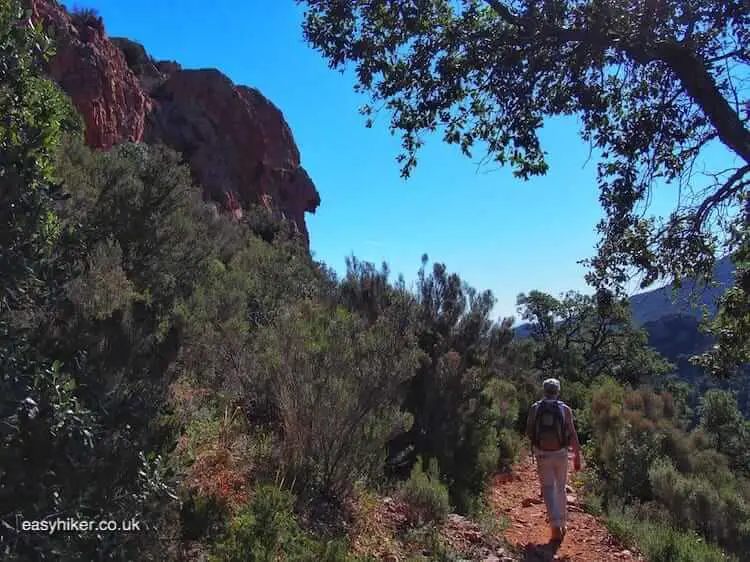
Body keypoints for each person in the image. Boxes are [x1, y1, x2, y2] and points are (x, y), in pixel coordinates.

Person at [526, 377, 582, 542]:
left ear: (544, 390)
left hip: (542, 453)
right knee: (561, 488)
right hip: (560, 453)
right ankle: (562, 523)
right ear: (558, 391)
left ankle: (555, 525)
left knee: (548, 488)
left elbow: (529, 431)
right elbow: (572, 433)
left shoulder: (535, 408)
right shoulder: (565, 409)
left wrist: (537, 446)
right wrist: (577, 455)